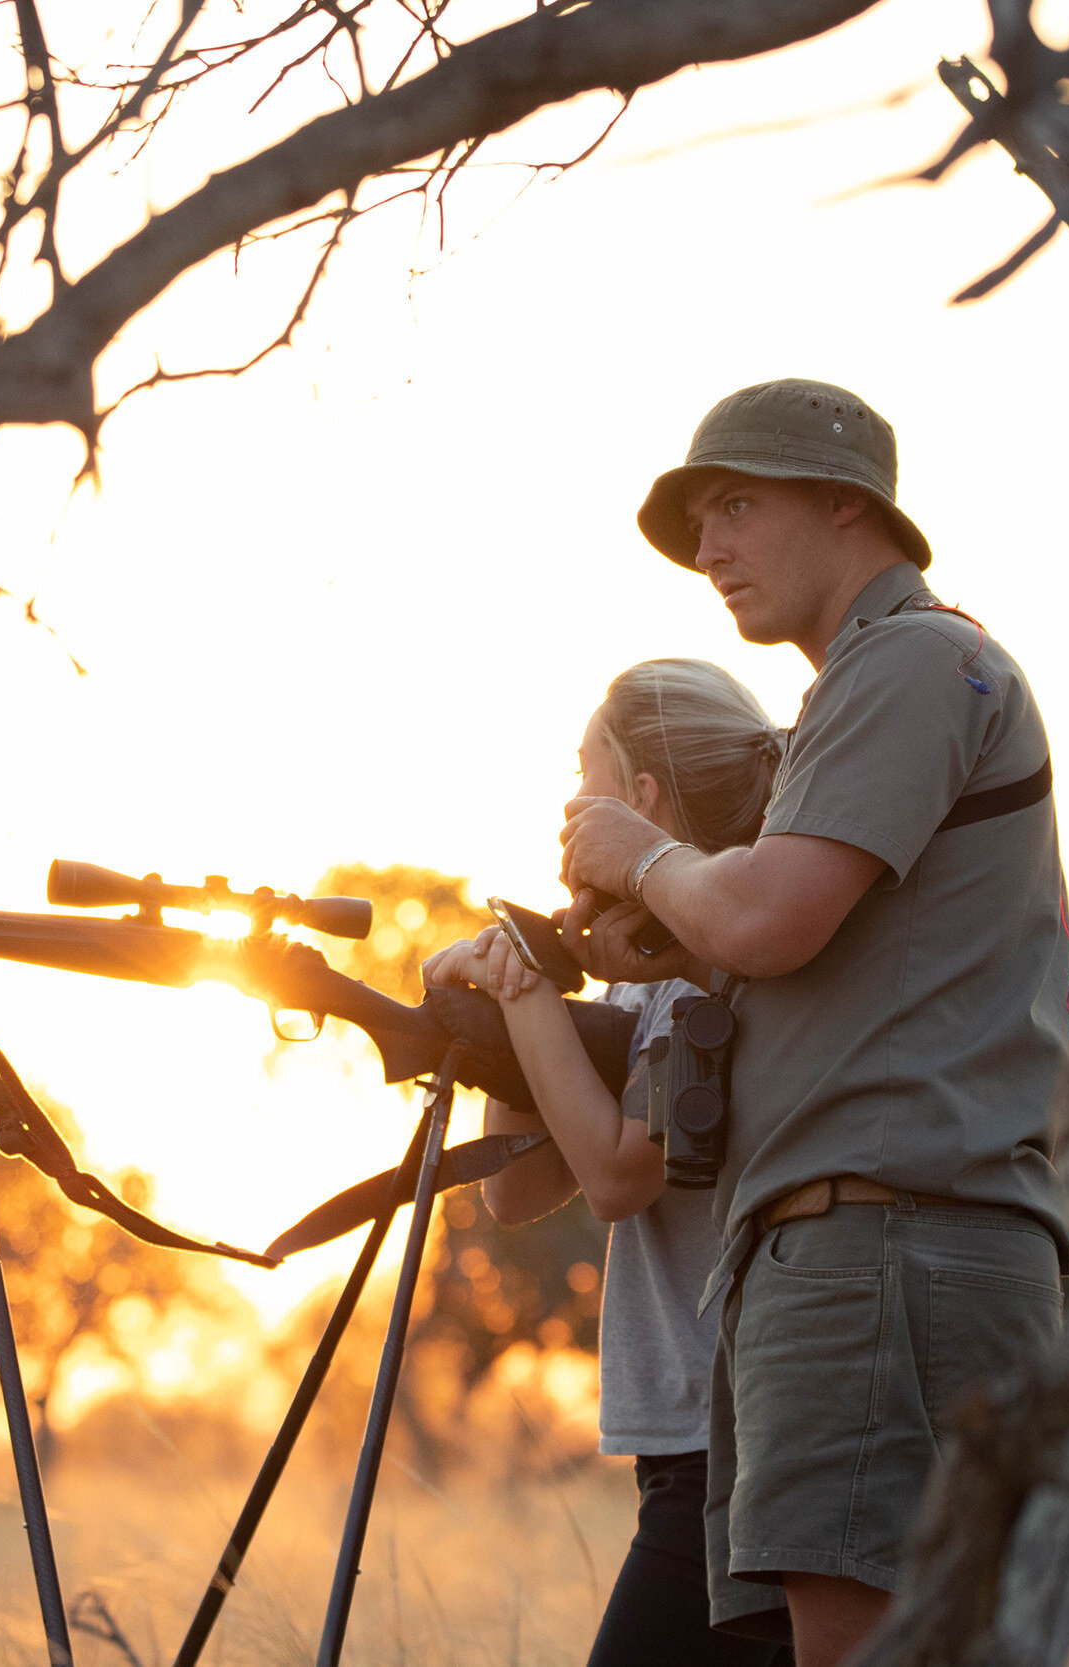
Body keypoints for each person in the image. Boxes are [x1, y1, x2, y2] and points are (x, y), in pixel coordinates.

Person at [556, 378, 1069, 1666]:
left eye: (735, 506)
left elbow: (770, 919)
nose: (708, 550)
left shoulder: (908, 659)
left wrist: (637, 854)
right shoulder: (874, 688)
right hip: (859, 1252)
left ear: (847, 505)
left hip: (882, 1246)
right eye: (698, 524)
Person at [423, 658, 795, 1667]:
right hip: (686, 1447)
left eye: (583, 772)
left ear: (638, 799)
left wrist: (526, 1002)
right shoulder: (635, 992)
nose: (565, 799)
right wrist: (517, 1016)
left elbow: (620, 1174)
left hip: (734, 1446)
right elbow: (515, 1188)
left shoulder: (704, 983)